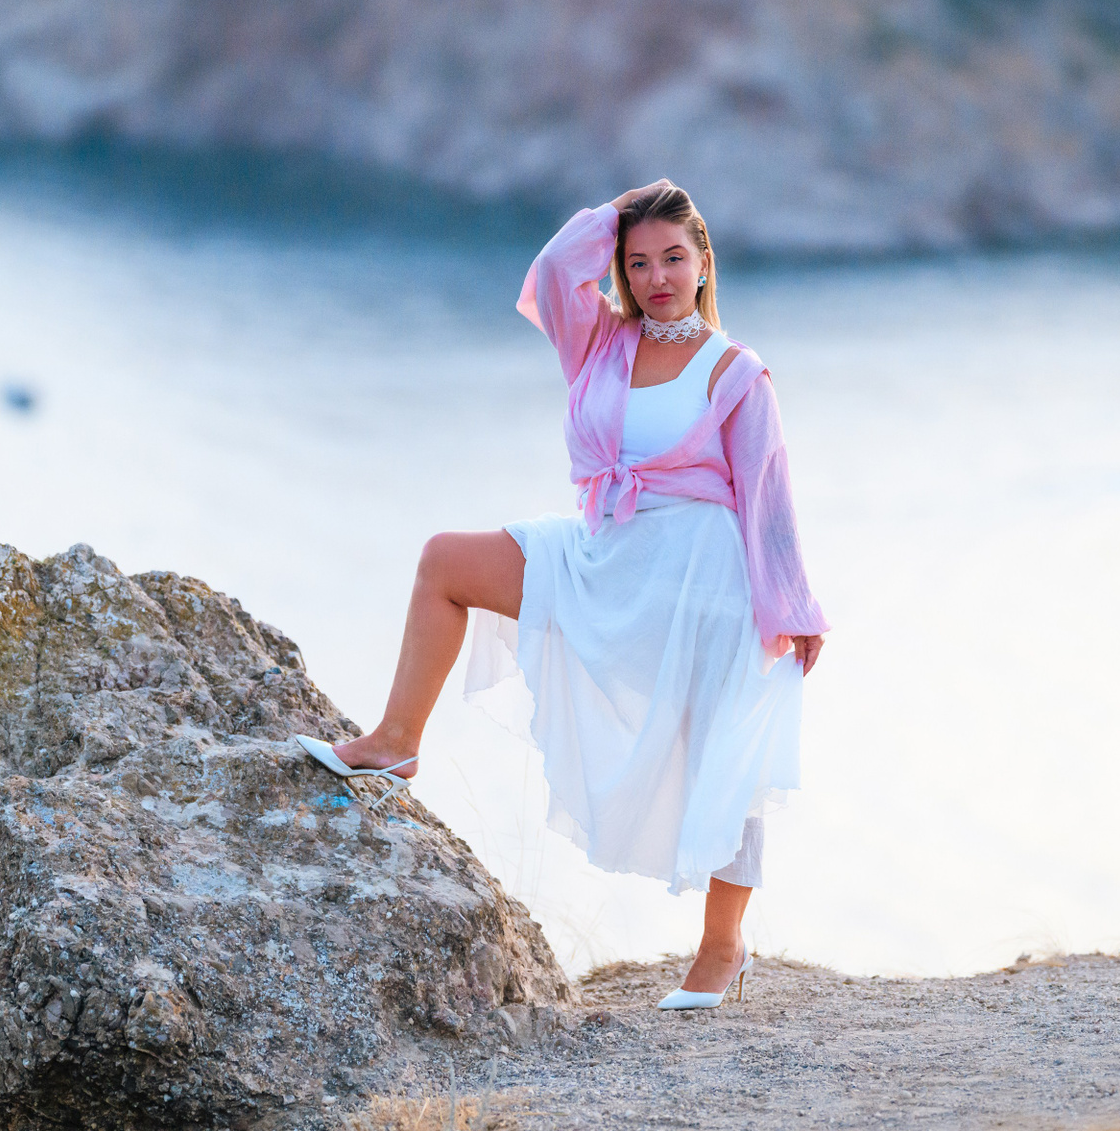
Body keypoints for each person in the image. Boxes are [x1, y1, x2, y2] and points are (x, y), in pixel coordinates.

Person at [295, 180, 828, 1011]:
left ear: (703, 263)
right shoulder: (599, 341)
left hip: (702, 582)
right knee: (444, 563)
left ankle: (722, 946)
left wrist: (791, 607)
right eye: (637, 262)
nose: (656, 277)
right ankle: (397, 741)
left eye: (673, 258)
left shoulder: (736, 372)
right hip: (601, 556)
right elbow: (551, 273)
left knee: (727, 755)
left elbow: (769, 494)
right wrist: (621, 209)